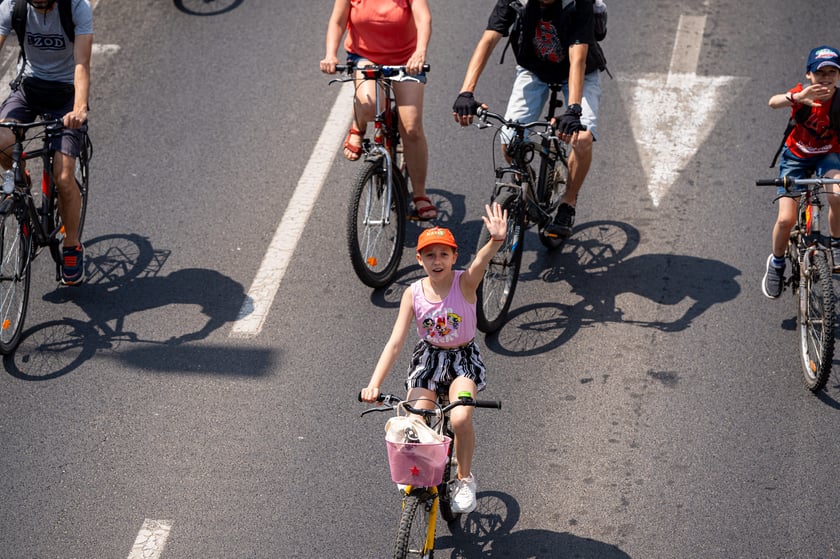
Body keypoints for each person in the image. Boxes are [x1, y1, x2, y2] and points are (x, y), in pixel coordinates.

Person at [360, 202, 507, 514]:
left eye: (444, 254)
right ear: (420, 259)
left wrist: (495, 241)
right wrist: (374, 385)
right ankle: (419, 469)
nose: (437, 260)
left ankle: (464, 479)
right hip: (428, 361)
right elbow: (396, 343)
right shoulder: (413, 293)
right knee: (414, 419)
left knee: (460, 416)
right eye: (430, 254)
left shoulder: (464, 283)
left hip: (462, 361)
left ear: (454, 257)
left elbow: (481, 262)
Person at [452, 0, 605, 239]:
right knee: (509, 139)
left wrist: (573, 110)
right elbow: (489, 39)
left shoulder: (576, 2)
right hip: (534, 70)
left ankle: (568, 202)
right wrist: (466, 92)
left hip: (578, 74)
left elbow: (578, 59)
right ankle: (525, 187)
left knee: (582, 138)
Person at [0, 0, 92, 285]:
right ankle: (21, 178)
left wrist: (78, 109)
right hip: (29, 89)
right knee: (0, 139)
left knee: (64, 177)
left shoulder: (76, 7)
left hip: (66, 94)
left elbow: (82, 64)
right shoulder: (12, 7)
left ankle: (72, 244)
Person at [320, 0, 438, 221]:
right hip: (366, 57)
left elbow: (424, 19)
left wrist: (420, 52)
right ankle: (358, 125)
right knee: (370, 103)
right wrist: (331, 54)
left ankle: (420, 194)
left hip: (406, 60)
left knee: (411, 128)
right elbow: (337, 21)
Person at [762, 45, 840, 299]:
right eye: (820, 73)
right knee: (786, 219)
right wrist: (796, 98)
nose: (826, 78)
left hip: (827, 157)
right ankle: (776, 263)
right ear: (809, 74)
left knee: (837, 196)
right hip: (795, 158)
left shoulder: (839, 100)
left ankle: (836, 243)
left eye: (832, 72)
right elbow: (772, 103)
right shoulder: (801, 94)